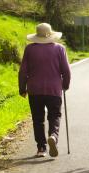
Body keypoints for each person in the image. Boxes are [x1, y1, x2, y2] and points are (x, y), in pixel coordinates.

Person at [19, 23, 71, 157]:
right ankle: (53, 136)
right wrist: (65, 85)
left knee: (38, 119)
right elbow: (66, 70)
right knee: (54, 116)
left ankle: (41, 148)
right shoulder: (60, 48)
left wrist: (22, 88)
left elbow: (23, 71)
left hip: (34, 89)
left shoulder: (29, 49)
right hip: (54, 89)